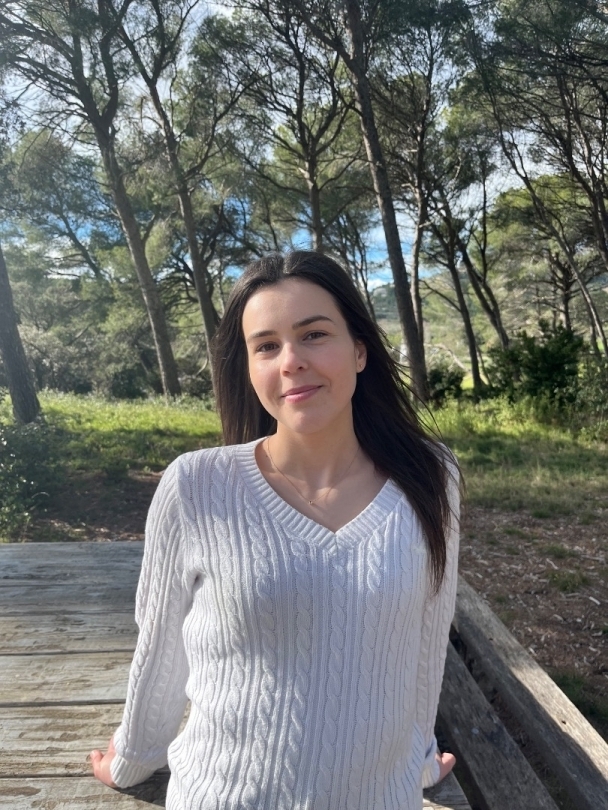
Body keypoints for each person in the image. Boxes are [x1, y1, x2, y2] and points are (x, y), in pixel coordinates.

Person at [90, 251, 460, 809]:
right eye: (266, 345)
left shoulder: (431, 476)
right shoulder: (196, 485)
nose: (291, 361)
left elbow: (425, 638)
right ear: (248, 368)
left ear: (360, 351)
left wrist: (420, 758)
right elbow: (160, 645)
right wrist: (133, 759)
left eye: (314, 335)